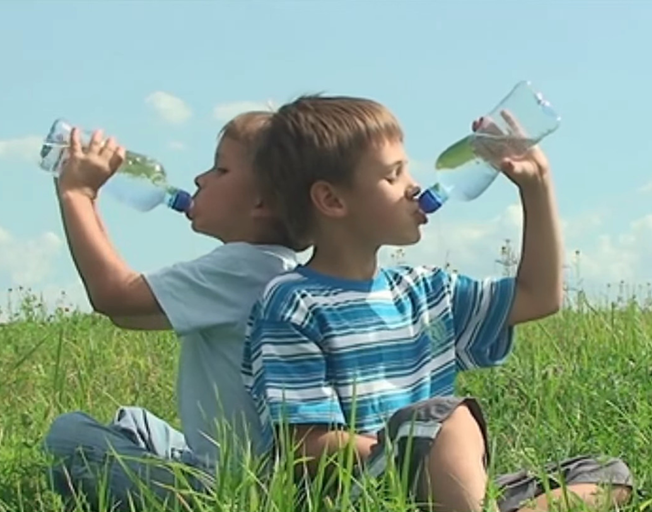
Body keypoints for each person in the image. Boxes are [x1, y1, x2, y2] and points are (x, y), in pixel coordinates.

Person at [241, 95, 633, 512]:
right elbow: (305, 445)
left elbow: (539, 297)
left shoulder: (425, 290)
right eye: (393, 175)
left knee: (607, 474)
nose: (414, 185)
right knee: (447, 416)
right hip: (359, 491)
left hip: (448, 487)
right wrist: (421, 445)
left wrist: (536, 185)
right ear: (333, 201)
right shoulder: (293, 302)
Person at [42, 111, 304, 510]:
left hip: (228, 493)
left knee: (68, 435)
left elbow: (114, 297)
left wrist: (78, 194)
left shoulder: (238, 269)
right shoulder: (273, 267)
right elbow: (127, 315)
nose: (200, 179)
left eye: (220, 169)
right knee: (136, 421)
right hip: (253, 475)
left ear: (261, 202)